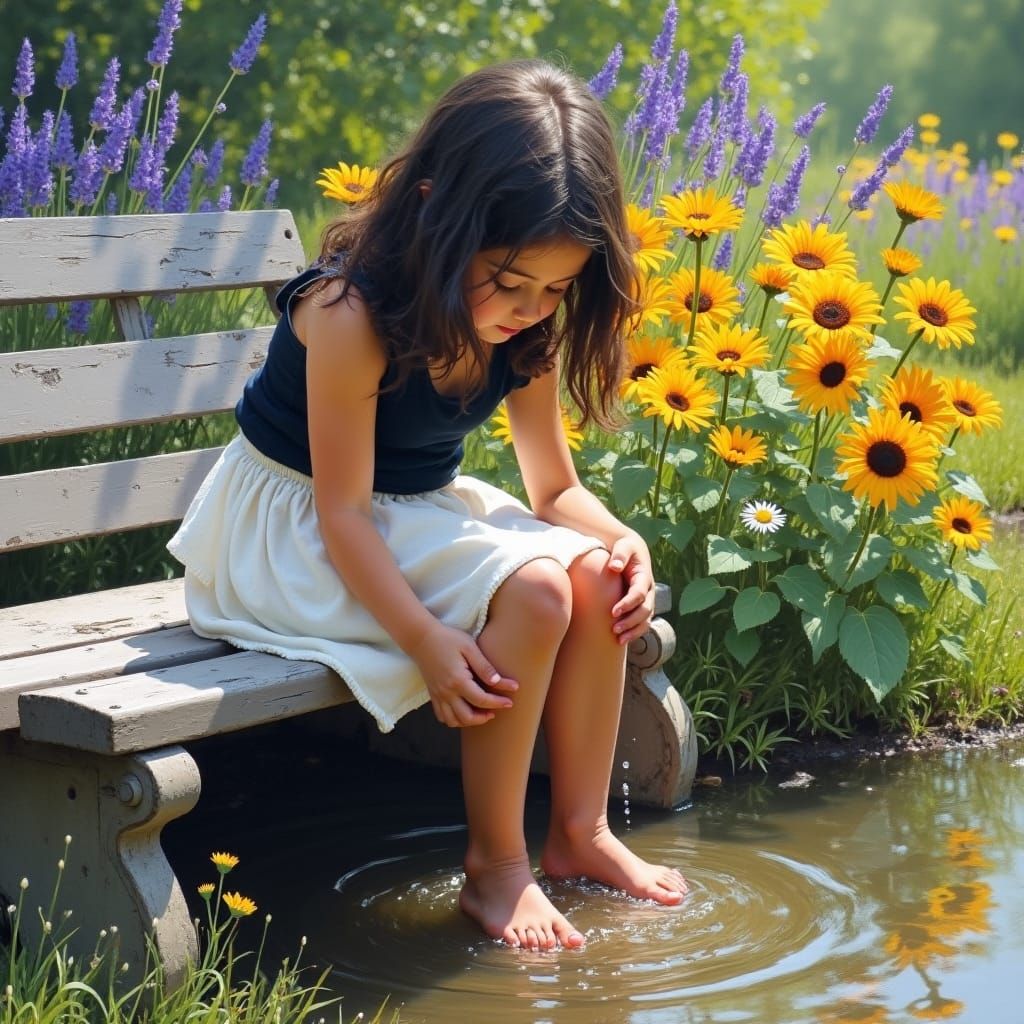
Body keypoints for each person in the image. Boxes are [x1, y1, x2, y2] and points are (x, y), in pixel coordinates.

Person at [168, 59, 687, 952]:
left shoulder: (527, 332)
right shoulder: (347, 314)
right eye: (511, 281)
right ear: (439, 214)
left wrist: (622, 535)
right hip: (292, 535)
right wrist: (423, 638)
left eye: (556, 290)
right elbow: (341, 514)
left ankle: (580, 832)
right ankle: (496, 870)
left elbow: (552, 489)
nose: (529, 311)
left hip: (408, 511)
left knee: (598, 579)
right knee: (535, 593)